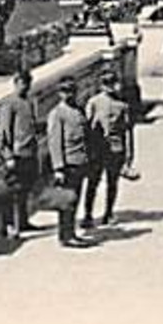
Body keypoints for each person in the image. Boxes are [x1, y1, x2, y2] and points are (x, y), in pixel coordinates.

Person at [0, 71, 46, 237]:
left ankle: (22, 221)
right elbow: (3, 132)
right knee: (12, 191)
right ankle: (8, 225)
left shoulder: (28, 102)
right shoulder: (9, 104)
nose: (26, 86)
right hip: (16, 154)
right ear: (16, 83)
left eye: (28, 83)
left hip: (29, 152)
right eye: (23, 83)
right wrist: (8, 156)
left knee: (25, 188)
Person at [45, 81, 95, 248]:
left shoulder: (78, 111)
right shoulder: (57, 114)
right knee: (67, 201)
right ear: (59, 93)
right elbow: (54, 142)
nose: (69, 94)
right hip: (67, 164)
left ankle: (71, 232)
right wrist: (58, 167)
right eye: (65, 91)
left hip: (80, 161)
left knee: (75, 200)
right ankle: (65, 236)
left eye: (72, 91)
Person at [83, 68, 133, 227]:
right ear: (101, 85)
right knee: (93, 182)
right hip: (97, 149)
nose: (109, 86)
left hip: (116, 149)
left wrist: (129, 156)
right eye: (106, 82)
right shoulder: (94, 102)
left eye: (112, 82)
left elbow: (128, 132)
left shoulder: (122, 105)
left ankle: (108, 213)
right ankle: (87, 215)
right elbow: (86, 129)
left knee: (112, 183)